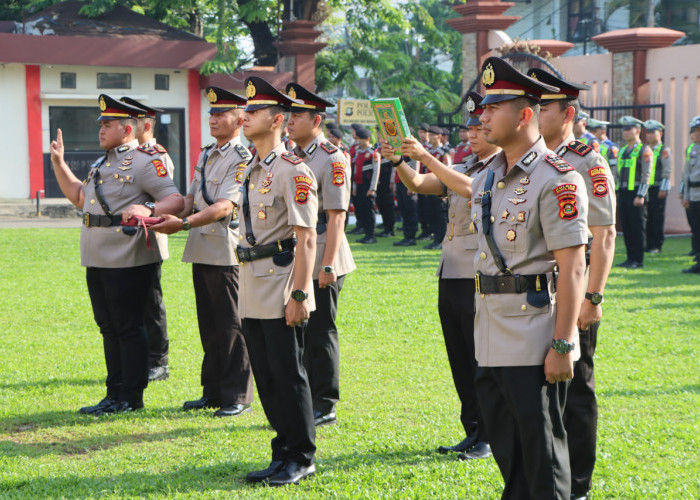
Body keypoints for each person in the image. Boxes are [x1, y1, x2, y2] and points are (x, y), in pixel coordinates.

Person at [470, 57, 589, 498]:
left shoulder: (557, 179)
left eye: (492, 107)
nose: (481, 116)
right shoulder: (488, 177)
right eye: (483, 107)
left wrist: (563, 344)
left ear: (524, 115)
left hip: (533, 332)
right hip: (491, 330)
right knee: (507, 446)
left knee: (542, 451)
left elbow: (573, 266)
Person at [49, 95, 184, 415]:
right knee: (108, 327)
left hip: (128, 257)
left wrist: (148, 209)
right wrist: (59, 163)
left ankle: (131, 396)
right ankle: (114, 393)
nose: (101, 129)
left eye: (107, 125)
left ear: (128, 129)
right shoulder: (102, 162)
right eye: (101, 124)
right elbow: (81, 198)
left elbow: (175, 200)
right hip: (97, 255)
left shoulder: (145, 160)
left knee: (128, 326)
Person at [382, 91, 497, 461]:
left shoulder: (500, 169)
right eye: (469, 128)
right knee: (459, 356)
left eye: (479, 127)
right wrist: (400, 160)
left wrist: (426, 156)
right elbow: (417, 185)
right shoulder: (465, 166)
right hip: (450, 271)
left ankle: (489, 434)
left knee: (480, 357)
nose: (472, 134)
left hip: (477, 275)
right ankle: (472, 428)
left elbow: (469, 190)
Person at [528, 67, 617, 500]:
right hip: (536, 291)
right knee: (539, 388)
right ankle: (548, 476)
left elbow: (604, 234)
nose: (535, 113)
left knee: (577, 389)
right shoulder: (529, 160)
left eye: (543, 106)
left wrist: (593, 298)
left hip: (574, 285)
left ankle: (577, 484)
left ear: (569, 112)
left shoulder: (587, 160)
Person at [150, 87, 254, 418]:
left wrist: (183, 224)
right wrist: (155, 212)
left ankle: (236, 394)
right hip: (202, 247)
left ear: (239, 121)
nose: (213, 119)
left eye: (221, 114)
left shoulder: (242, 158)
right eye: (211, 113)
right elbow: (189, 198)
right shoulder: (207, 153)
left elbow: (224, 206)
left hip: (225, 250)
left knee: (231, 325)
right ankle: (212, 391)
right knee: (208, 324)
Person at [238, 76, 318, 486]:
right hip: (252, 282)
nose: (244, 116)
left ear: (277, 120)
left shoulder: (293, 171)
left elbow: (307, 237)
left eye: (253, 111)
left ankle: (302, 455)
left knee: (289, 374)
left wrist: (300, 294)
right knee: (267, 376)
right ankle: (282, 449)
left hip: (282, 281)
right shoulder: (251, 169)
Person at [285, 82, 356, 427]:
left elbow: (337, 214)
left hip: (325, 252)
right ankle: (304, 396)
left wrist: (327, 263)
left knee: (320, 329)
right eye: (288, 115)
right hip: (297, 253)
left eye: (296, 115)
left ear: (316, 120)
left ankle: (324, 402)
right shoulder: (289, 154)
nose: (289, 121)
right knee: (296, 328)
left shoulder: (331, 157)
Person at [119, 96, 173, 383]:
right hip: (129, 241)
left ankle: (159, 361)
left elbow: (164, 197)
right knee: (134, 304)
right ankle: (141, 358)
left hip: (149, 237)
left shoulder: (157, 155)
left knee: (151, 304)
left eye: (134, 122)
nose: (127, 127)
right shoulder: (129, 155)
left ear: (146, 125)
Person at [616, 116, 652, 269]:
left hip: (636, 194)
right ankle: (630, 258)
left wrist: (641, 195)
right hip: (623, 193)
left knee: (637, 227)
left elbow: (646, 174)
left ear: (637, 131)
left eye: (629, 129)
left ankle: (638, 260)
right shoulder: (623, 150)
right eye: (624, 130)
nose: (625, 132)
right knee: (627, 227)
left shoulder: (644, 149)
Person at [642, 120, 672, 253]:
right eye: (647, 132)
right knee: (647, 217)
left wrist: (663, 188)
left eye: (652, 132)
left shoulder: (663, 150)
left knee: (657, 217)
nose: (649, 135)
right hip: (647, 188)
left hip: (658, 188)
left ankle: (656, 245)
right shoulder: (646, 149)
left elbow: (667, 170)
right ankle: (648, 244)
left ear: (660, 133)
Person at [423, 125, 450, 250]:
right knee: (431, 214)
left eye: (433, 135)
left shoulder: (443, 153)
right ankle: (435, 239)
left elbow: (448, 171)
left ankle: (442, 240)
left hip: (440, 188)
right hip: (430, 187)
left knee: (441, 216)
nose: (431, 137)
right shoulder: (429, 152)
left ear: (439, 137)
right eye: (430, 135)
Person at [352, 127, 379, 244]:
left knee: (369, 211)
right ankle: (366, 234)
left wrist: (373, 188)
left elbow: (376, 171)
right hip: (359, 185)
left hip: (368, 186)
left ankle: (371, 235)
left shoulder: (373, 152)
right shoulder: (358, 152)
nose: (359, 141)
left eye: (361, 139)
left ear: (367, 139)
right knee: (362, 210)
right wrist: (354, 187)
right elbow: (355, 170)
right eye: (358, 139)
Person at [681, 116, 700, 272]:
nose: (696, 133)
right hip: (693, 194)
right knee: (696, 227)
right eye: (694, 130)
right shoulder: (692, 148)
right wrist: (685, 195)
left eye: (698, 130)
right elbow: (686, 174)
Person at [374, 146, 396, 237]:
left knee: (388, 205)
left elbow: (394, 166)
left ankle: (390, 229)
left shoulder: (391, 148)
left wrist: (392, 180)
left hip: (387, 182)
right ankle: (386, 227)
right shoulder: (377, 148)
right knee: (381, 204)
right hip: (380, 182)